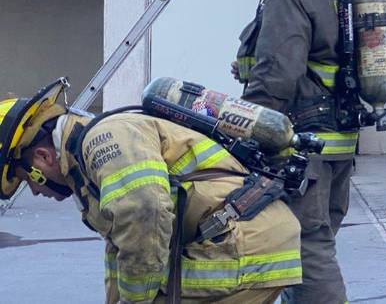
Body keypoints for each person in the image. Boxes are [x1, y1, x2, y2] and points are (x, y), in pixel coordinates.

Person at [0, 79, 302, 303]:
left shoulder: (104, 140)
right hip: (239, 244)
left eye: (26, 180)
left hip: (243, 248)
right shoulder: (85, 165)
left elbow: (145, 211)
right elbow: (122, 251)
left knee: (153, 292)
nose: (35, 192)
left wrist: (135, 301)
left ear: (42, 157)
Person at [234, 0, 358, 303]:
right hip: (339, 142)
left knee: (306, 244)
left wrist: (246, 129)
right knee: (319, 237)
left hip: (302, 143)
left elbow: (277, 77)